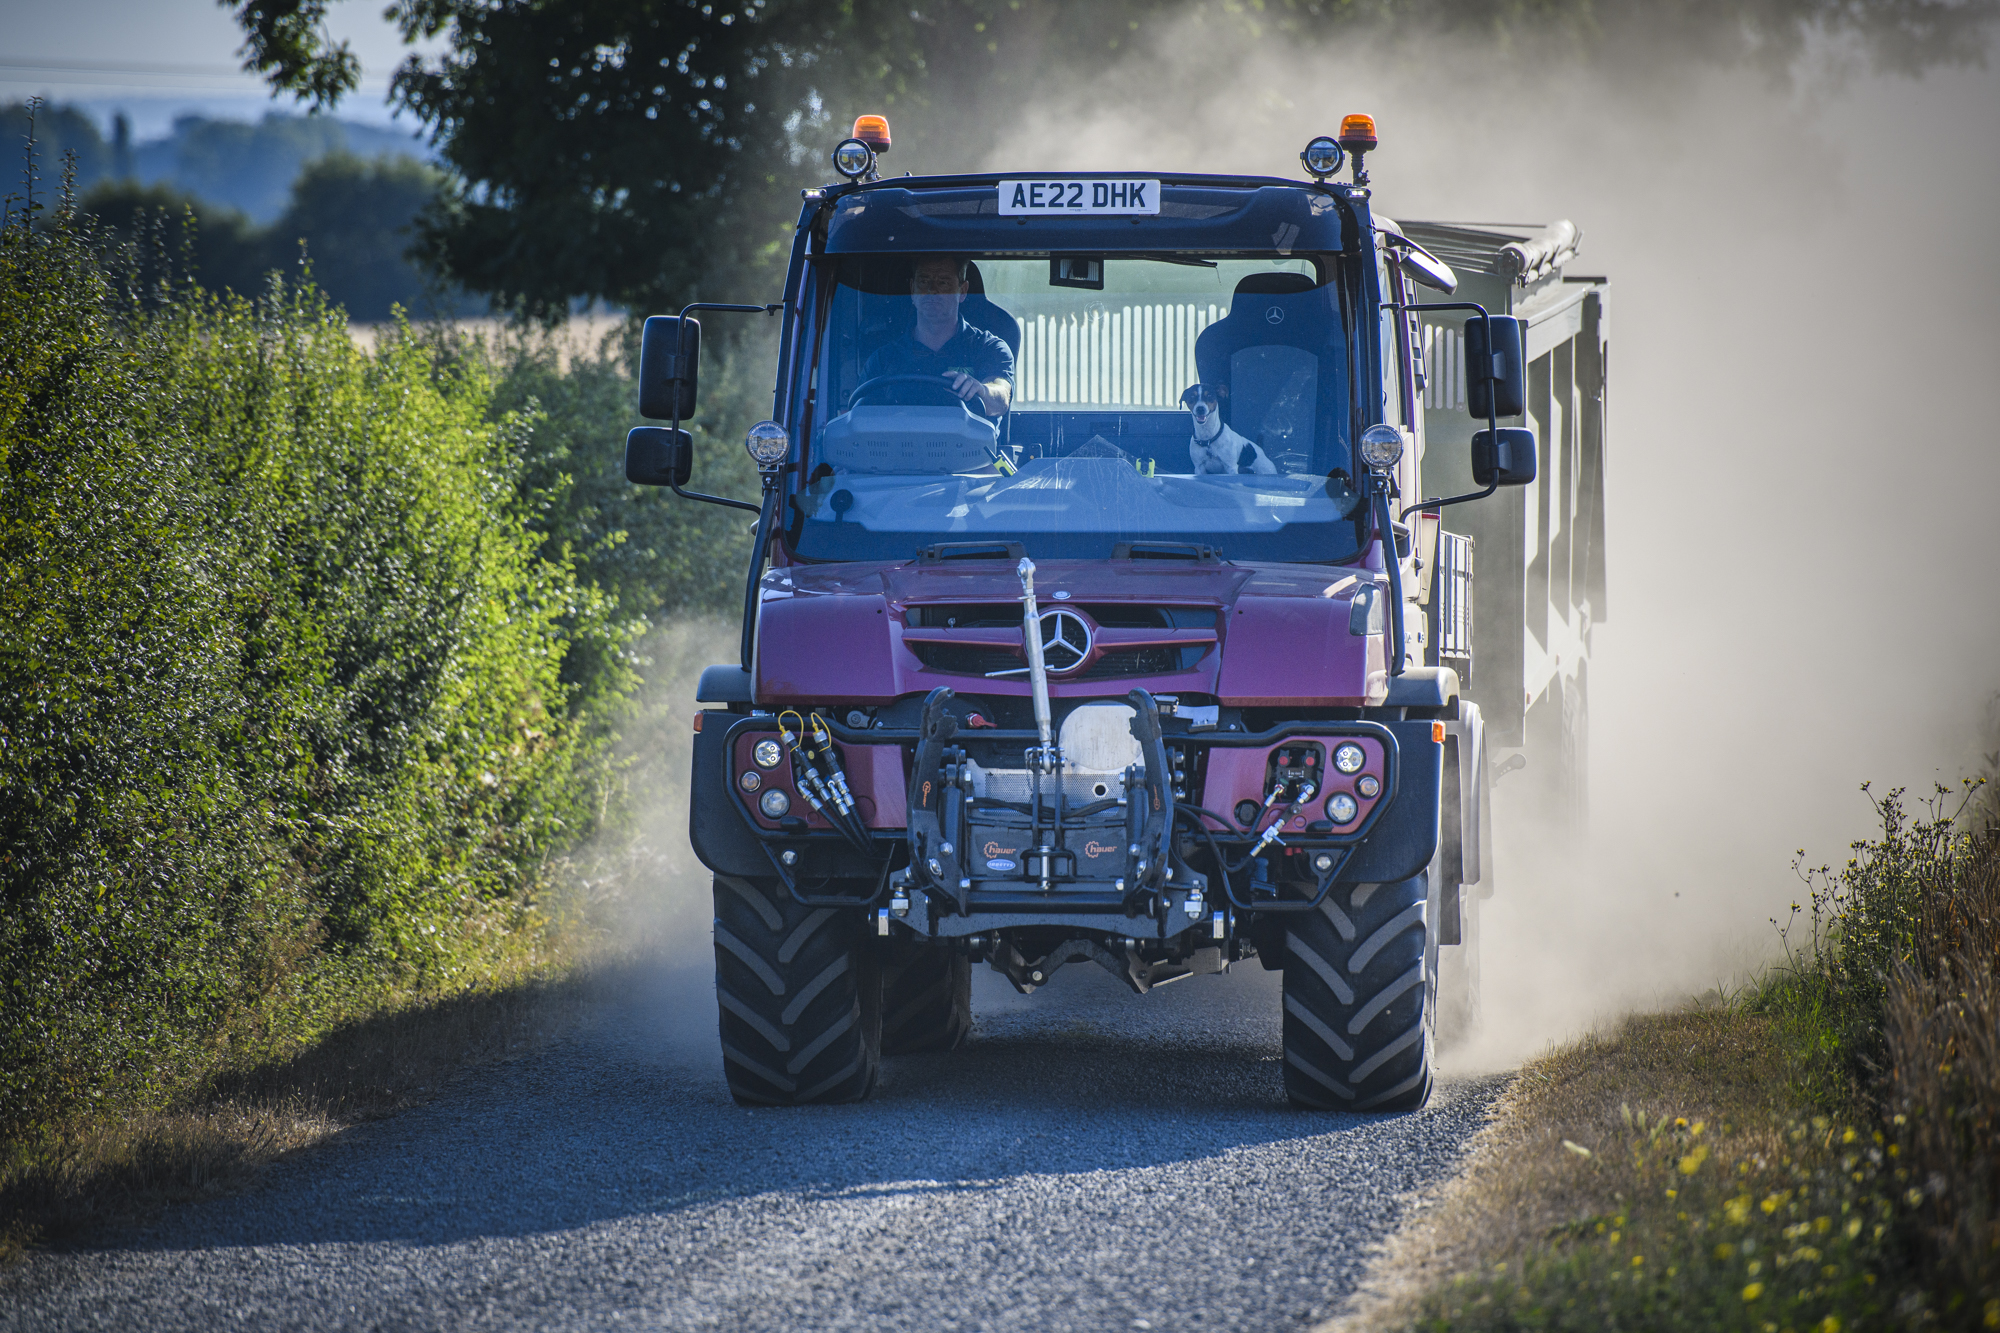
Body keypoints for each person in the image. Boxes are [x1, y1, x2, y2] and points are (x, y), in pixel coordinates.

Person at [861, 256, 1013, 417]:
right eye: (924, 281)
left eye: (943, 282)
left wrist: (982, 391)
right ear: (912, 289)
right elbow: (860, 420)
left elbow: (1001, 398)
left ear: (963, 291)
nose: (932, 290)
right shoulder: (883, 359)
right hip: (897, 442)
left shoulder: (989, 348)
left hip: (968, 442)